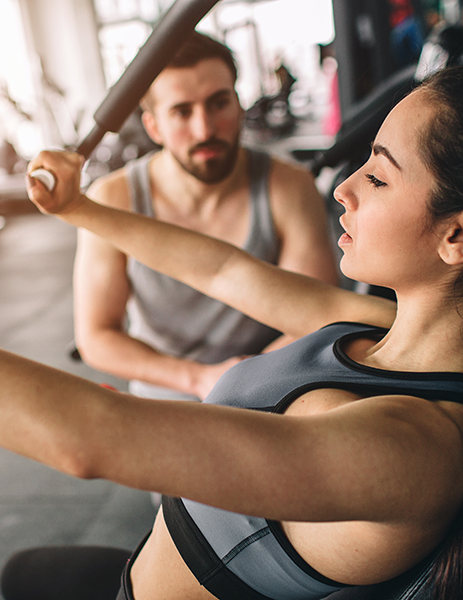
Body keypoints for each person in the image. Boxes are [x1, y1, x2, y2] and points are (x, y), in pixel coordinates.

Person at [0, 67, 463, 600]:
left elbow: (88, 439)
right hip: (142, 563)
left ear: (454, 237)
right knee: (25, 572)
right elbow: (226, 270)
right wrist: (80, 209)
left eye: (379, 178)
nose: (344, 187)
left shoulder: (410, 450)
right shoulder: (380, 326)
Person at [76, 31, 338, 401]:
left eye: (219, 104)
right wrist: (198, 380)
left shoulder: (289, 186)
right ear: (154, 126)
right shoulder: (113, 199)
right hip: (166, 395)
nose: (205, 129)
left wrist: (241, 381)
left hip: (272, 382)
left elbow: (317, 316)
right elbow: (96, 336)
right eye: (182, 112)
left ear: (239, 104)